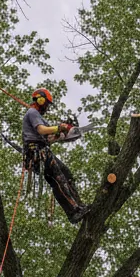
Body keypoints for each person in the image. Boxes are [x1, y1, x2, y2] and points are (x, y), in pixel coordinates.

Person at [22, 87, 89, 223]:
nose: (46, 107)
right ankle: (73, 212)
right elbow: (41, 130)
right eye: (46, 103)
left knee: (66, 174)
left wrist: (66, 133)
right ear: (40, 100)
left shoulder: (39, 117)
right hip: (37, 152)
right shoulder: (32, 112)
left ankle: (79, 205)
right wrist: (58, 127)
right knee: (59, 179)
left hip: (42, 151)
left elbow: (49, 137)